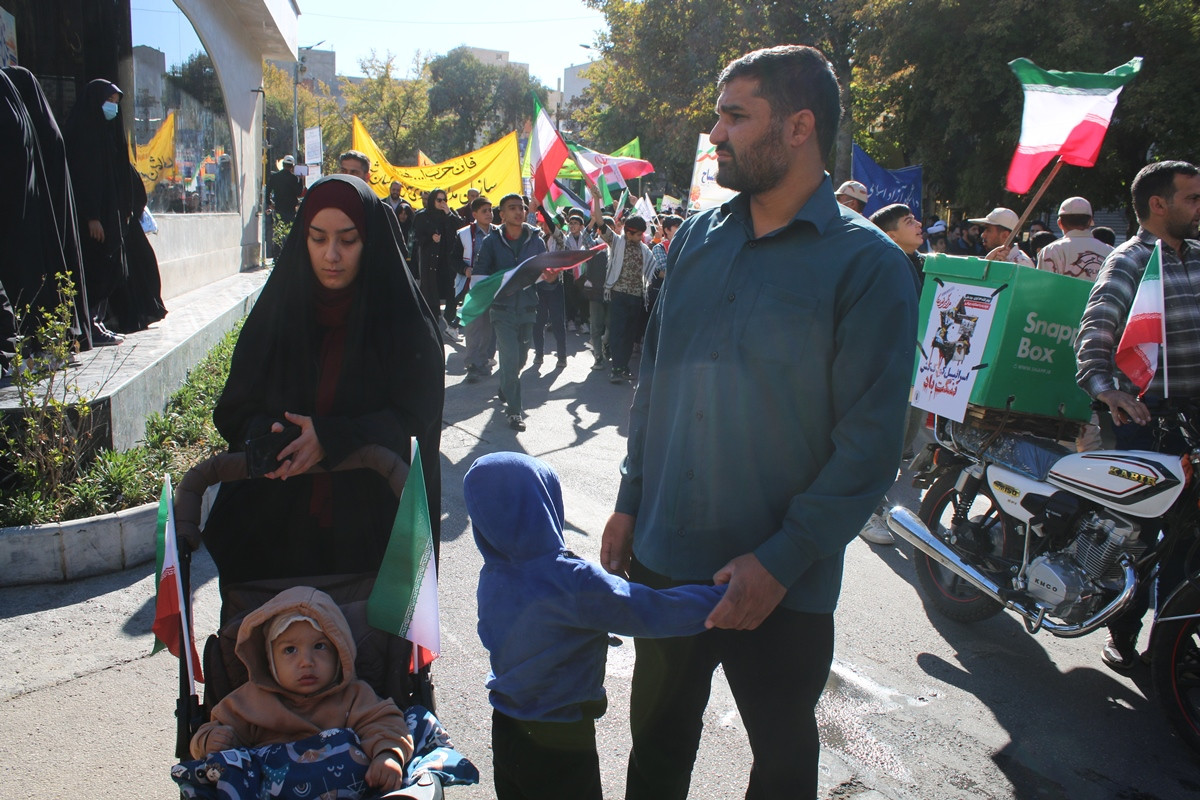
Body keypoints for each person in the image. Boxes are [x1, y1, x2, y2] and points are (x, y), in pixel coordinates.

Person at [600, 45, 917, 799]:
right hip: (667, 558)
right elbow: (657, 382)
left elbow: (870, 445)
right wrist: (630, 500)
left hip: (784, 584)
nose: (715, 134)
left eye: (735, 117)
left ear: (800, 126)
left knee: (782, 764)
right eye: (718, 116)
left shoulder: (869, 266)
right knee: (656, 749)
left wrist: (778, 562)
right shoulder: (695, 239)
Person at [204, 175, 445, 584]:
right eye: (317, 239)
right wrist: (271, 435)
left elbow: (416, 420)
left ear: (370, 241)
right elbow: (235, 411)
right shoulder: (276, 315)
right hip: (276, 537)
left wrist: (332, 438)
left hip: (372, 538)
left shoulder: (404, 324)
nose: (331, 255)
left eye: (348, 240)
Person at [464, 452, 725, 800]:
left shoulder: (493, 575)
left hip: (506, 730)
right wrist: (724, 597)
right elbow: (653, 611)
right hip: (560, 742)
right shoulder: (573, 581)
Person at [1075, 159, 1200, 670]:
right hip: (1147, 424)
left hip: (1192, 423)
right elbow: (1094, 335)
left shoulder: (1196, 256)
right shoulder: (1130, 261)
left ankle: (1172, 643)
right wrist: (1108, 391)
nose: (1199, 207)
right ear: (1158, 204)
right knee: (1140, 539)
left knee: (1188, 541)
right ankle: (1123, 634)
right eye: (1192, 198)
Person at [186, 586, 413, 795]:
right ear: (269, 660)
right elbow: (212, 732)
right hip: (274, 787)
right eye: (290, 650)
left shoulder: (354, 695)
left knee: (418, 722)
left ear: (339, 652)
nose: (306, 662)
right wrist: (210, 741)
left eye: (320, 646)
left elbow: (384, 724)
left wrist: (387, 755)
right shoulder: (247, 701)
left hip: (340, 787)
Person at [858, 202, 927, 545]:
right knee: (879, 443)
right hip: (882, 368)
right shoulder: (877, 264)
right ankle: (865, 511)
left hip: (917, 368)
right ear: (890, 234)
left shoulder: (923, 265)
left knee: (903, 439)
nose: (918, 224)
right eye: (908, 221)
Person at [63, 78, 134, 346]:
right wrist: (92, 216)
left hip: (107, 214)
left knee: (110, 267)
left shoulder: (106, 134)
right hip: (92, 219)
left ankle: (97, 321)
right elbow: (84, 179)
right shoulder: (83, 133)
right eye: (109, 101)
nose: (112, 107)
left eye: (115, 102)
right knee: (95, 268)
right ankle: (90, 325)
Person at [473, 193, 547, 430]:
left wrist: (551, 277)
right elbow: (480, 275)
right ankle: (514, 411)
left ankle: (506, 385)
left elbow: (545, 274)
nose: (518, 212)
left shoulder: (536, 240)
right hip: (502, 310)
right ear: (502, 214)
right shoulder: (491, 242)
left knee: (520, 359)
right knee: (509, 357)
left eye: (521, 207)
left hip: (527, 309)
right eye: (512, 208)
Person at [595, 210, 653, 384]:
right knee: (618, 332)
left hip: (636, 297)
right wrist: (596, 200)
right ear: (629, 233)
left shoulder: (644, 250)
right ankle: (616, 369)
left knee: (630, 334)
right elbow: (601, 224)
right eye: (639, 234)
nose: (642, 237)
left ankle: (624, 366)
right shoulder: (617, 242)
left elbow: (653, 267)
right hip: (618, 295)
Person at [455, 195, 498, 383]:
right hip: (473, 288)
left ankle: (483, 361)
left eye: (490, 210)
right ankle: (472, 364)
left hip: (493, 286)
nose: (489, 214)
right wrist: (465, 269)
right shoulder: (464, 234)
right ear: (474, 214)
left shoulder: (498, 233)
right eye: (484, 211)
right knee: (473, 327)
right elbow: (453, 259)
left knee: (488, 327)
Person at [412, 187, 461, 340]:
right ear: (433, 200)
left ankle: (450, 322)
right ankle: (430, 329)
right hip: (431, 261)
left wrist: (449, 213)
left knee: (453, 293)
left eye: (444, 200)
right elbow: (416, 237)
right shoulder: (422, 216)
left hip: (448, 260)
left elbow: (461, 227)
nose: (442, 203)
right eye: (439, 200)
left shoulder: (450, 214)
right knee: (431, 294)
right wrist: (430, 238)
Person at [1036, 196, 1113, 281]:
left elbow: (1043, 286)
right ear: (1090, 221)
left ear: (1059, 223)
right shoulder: (1111, 252)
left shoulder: (1051, 251)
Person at [533, 212, 568, 369]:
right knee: (538, 322)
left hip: (555, 286)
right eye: (544, 224)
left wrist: (542, 208)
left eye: (549, 224)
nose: (545, 226)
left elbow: (554, 229)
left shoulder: (560, 240)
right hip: (540, 284)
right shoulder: (538, 238)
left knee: (557, 322)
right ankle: (539, 354)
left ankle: (562, 357)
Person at [969, 207, 1034, 266]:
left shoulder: (1022, 265)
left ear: (1005, 235)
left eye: (988, 230)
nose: (982, 235)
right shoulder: (994, 258)